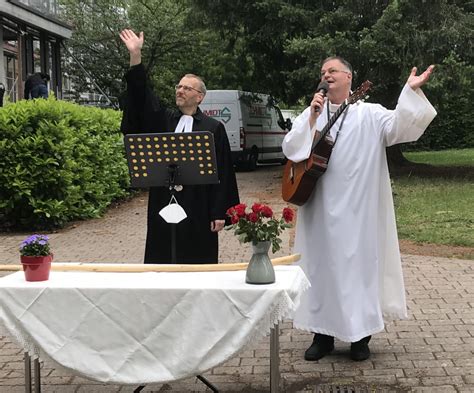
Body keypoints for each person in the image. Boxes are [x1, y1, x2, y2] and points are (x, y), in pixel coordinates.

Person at [282, 56, 436, 361]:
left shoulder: (371, 114)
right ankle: (321, 335)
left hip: (359, 209)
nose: (326, 75)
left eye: (332, 71)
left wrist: (411, 91)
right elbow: (291, 148)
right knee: (320, 267)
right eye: (323, 71)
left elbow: (401, 127)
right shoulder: (311, 112)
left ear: (349, 77)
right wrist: (312, 118)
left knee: (358, 269)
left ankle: (360, 338)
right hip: (320, 207)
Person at [119, 29, 239, 264]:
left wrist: (219, 213)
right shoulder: (163, 120)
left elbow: (223, 172)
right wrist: (136, 57)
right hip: (164, 198)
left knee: (197, 254)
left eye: (187, 88)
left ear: (200, 97)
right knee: (164, 254)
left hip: (199, 202)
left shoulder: (213, 128)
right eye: (178, 86)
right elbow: (142, 96)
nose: (180, 90)